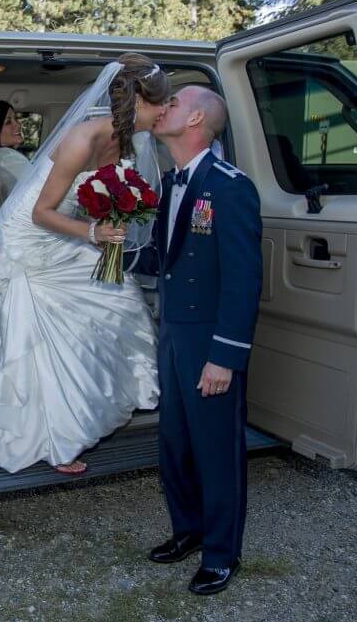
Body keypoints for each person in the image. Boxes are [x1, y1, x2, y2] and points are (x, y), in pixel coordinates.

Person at [0, 53, 169, 475]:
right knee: (49, 327)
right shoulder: (81, 139)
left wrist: (111, 221)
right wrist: (94, 235)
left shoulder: (131, 139)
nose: (166, 111)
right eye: (161, 103)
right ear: (139, 103)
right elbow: (41, 211)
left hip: (69, 226)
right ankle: (56, 436)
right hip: (33, 235)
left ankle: (109, 396)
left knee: (120, 298)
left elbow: (103, 194)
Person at [141, 86, 262, 596]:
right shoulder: (171, 182)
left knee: (216, 449)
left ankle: (221, 552)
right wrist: (104, 252)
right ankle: (188, 529)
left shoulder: (230, 187)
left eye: (171, 102)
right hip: (173, 337)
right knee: (175, 444)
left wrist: (224, 359)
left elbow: (243, 280)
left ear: (194, 118)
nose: (161, 107)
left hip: (210, 342)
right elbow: (163, 257)